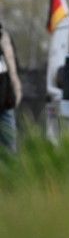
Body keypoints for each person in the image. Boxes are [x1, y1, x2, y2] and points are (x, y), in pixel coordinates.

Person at [0, 23, 23, 153]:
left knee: (10, 150)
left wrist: (14, 94)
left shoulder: (4, 37)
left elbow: (13, 69)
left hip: (5, 105)